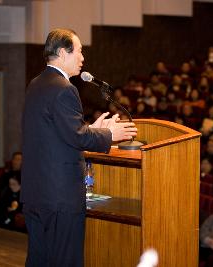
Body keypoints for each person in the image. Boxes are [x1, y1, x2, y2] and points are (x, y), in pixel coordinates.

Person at [21, 29, 137, 267]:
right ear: (63, 53)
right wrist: (109, 134)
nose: (83, 58)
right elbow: (77, 136)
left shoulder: (36, 84)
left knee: (40, 261)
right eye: (80, 51)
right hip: (60, 200)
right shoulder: (64, 88)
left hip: (37, 195)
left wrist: (93, 129)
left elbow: (59, 134)